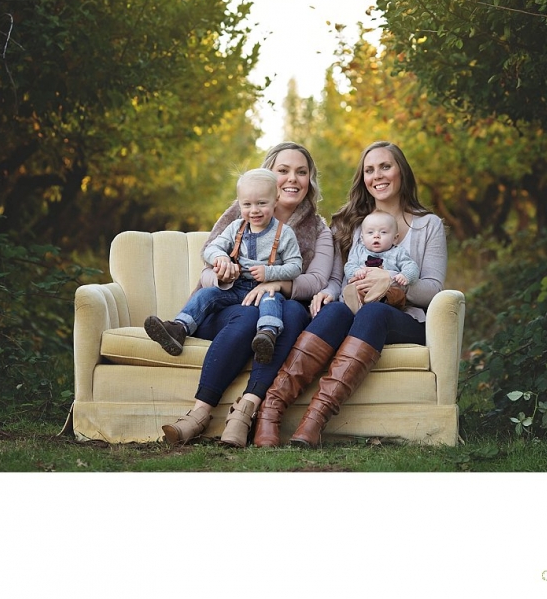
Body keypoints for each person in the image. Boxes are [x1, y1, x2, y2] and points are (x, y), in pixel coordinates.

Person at [253, 140, 447, 448]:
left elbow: (434, 291)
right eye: (369, 170)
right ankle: (270, 412)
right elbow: (338, 279)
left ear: (402, 173)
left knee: (373, 312)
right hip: (358, 310)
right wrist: (331, 293)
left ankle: (314, 421)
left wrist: (393, 283)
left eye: (386, 166)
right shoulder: (355, 226)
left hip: (406, 319)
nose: (377, 176)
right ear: (364, 179)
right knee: (335, 311)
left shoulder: (428, 225)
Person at [158, 142, 334, 447]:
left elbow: (317, 280)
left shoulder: (318, 229)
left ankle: (246, 410)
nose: (293, 178)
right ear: (269, 176)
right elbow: (207, 265)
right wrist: (221, 270)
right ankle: (199, 413)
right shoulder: (239, 214)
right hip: (226, 305)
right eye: (283, 170)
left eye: (301, 172)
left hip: (274, 310)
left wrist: (275, 284)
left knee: (292, 311)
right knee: (250, 314)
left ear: (310, 180)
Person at [144, 168, 302, 365]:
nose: (254, 210)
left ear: (275, 200)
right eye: (247, 204)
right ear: (239, 203)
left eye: (262, 203)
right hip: (237, 287)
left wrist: (269, 272)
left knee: (271, 302)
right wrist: (222, 258)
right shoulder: (236, 227)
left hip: (264, 289)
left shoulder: (284, 233)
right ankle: (179, 329)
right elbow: (211, 249)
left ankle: (266, 336)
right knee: (205, 295)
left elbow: (296, 266)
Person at [341, 209, 420, 313]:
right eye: (370, 232)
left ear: (395, 238)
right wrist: (356, 271)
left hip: (387, 293)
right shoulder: (359, 251)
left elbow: (411, 266)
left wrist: (405, 275)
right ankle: (357, 303)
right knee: (355, 289)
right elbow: (349, 266)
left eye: (383, 232)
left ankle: (378, 296)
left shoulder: (398, 252)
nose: (376, 235)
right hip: (365, 290)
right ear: (362, 238)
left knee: (397, 294)